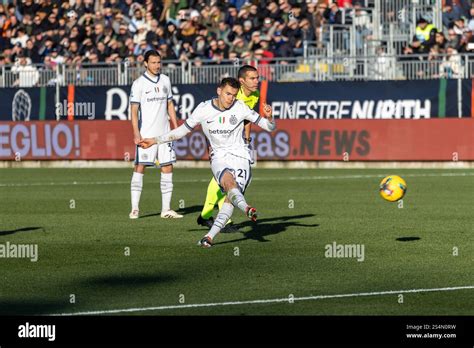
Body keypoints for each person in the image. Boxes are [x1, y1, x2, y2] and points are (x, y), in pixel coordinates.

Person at [139, 77, 275, 247]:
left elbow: (269, 127)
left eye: (233, 95)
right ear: (219, 91)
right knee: (228, 184)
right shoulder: (203, 109)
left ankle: (209, 237)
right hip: (218, 156)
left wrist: (270, 118)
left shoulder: (241, 107)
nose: (230, 98)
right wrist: (155, 140)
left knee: (230, 199)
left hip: (241, 156)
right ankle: (246, 208)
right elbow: (182, 131)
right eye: (227, 94)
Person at [197, 65, 260, 229]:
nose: (256, 82)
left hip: (236, 140)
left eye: (257, 78)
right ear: (242, 81)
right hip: (218, 134)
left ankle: (207, 215)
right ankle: (214, 217)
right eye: (252, 78)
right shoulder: (234, 93)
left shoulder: (255, 95)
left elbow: (247, 119)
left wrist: (246, 139)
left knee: (228, 177)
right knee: (225, 177)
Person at [129, 49, 183, 219]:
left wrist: (176, 127)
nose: (157, 65)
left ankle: (166, 209)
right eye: (153, 62)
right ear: (145, 63)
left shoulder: (166, 80)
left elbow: (170, 105)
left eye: (159, 62)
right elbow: (134, 110)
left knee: (167, 167)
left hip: (165, 134)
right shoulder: (139, 84)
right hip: (146, 134)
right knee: (140, 166)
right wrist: (136, 133)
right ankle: (135, 209)